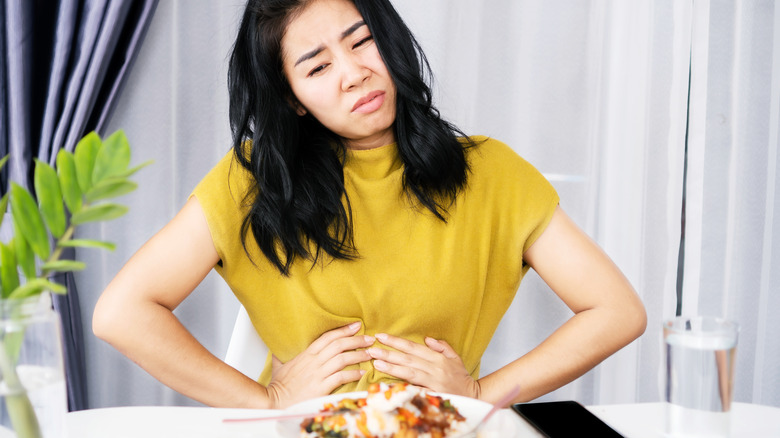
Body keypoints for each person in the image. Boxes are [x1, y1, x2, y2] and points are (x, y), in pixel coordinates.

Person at [93, 0, 646, 410]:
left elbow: (617, 311)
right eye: (317, 67)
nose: (354, 73)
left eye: (361, 41)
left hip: (434, 426)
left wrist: (482, 393)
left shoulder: (491, 174)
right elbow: (121, 313)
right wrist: (266, 402)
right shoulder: (257, 178)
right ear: (294, 98)